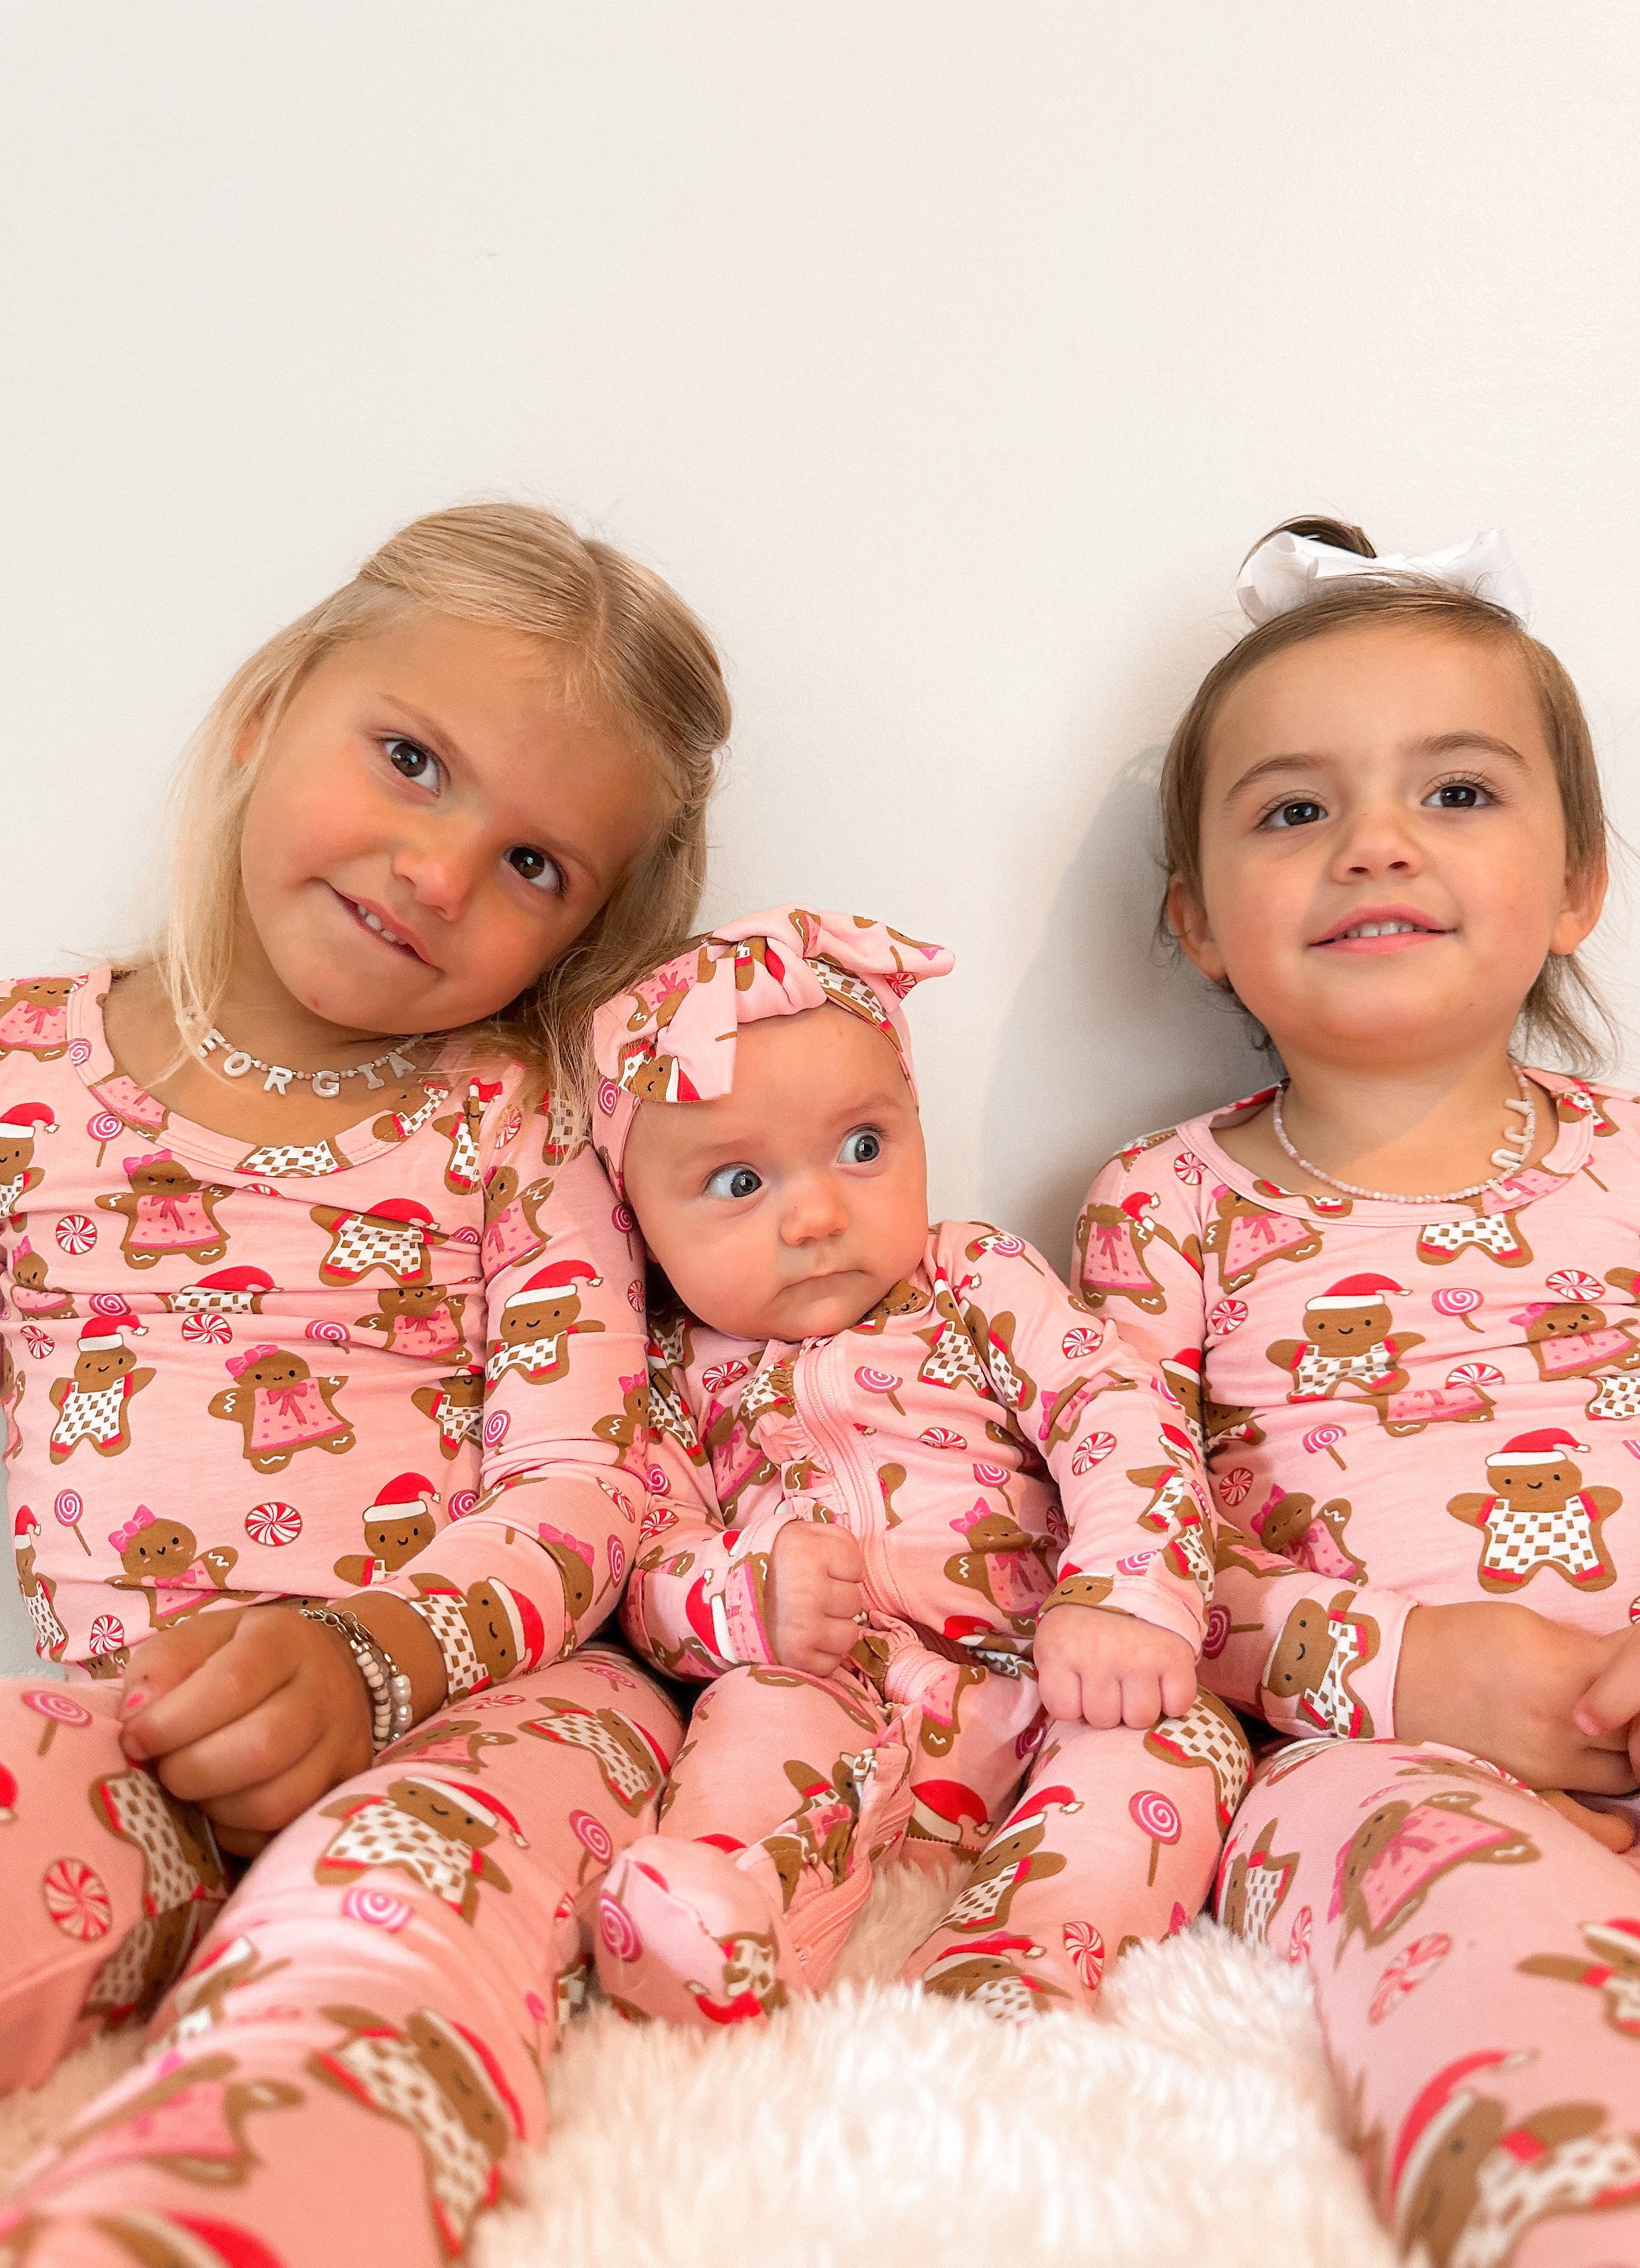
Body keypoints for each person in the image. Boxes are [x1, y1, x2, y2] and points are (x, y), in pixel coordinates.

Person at [0, 502, 729, 2268]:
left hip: (492, 1714)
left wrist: (371, 1666)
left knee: (374, 1956)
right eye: (409, 760)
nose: (442, 873)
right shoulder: (3, 1068)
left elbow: (583, 1483)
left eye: (538, 865)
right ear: (261, 714)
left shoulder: (517, 1119)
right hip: (144, 1716)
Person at [1075, 517, 1640, 2265]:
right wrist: (1412, 1668)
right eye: (1292, 809)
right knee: (1474, 1948)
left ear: (1575, 885)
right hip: (1383, 1760)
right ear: (1195, 925)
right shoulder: (1163, 1204)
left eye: (1457, 793)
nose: (1374, 842)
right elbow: (1129, 1574)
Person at [579, 907, 1251, 2025]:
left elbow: (1113, 1409)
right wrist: (740, 1598)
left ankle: (1017, 1957)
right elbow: (637, 1564)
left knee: (1172, 1745)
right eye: (739, 1184)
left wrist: (1124, 1593)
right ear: (639, 1221)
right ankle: (729, 1925)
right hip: (832, 1689)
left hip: (1051, 1680)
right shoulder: (661, 1370)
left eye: (861, 1149)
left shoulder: (972, 1280)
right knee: (758, 1726)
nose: (816, 1215)